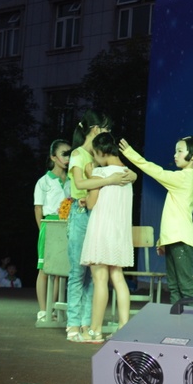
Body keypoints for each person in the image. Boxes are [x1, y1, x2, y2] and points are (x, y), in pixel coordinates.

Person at [65, 109, 135, 342]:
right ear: (95, 130)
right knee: (114, 278)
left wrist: (95, 177)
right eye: (106, 128)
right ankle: (119, 326)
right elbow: (79, 182)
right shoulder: (124, 172)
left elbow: (92, 202)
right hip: (117, 231)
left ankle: (93, 328)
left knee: (97, 279)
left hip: (100, 229)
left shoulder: (100, 171)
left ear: (101, 153)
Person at [119, 135, 193, 304]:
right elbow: (174, 214)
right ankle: (177, 319)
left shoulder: (184, 177)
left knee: (185, 286)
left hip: (181, 240)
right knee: (174, 286)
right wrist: (164, 240)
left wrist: (129, 152)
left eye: (180, 151)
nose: (175, 155)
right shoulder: (185, 178)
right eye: (175, 151)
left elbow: (155, 171)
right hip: (176, 239)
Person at [33, 139, 71, 323]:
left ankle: (52, 308)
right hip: (50, 225)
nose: (68, 157)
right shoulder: (44, 181)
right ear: (53, 157)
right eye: (64, 154)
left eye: (70, 153)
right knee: (45, 269)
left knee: (59, 270)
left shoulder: (72, 180)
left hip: (67, 225)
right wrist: (43, 230)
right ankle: (42, 310)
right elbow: (38, 208)